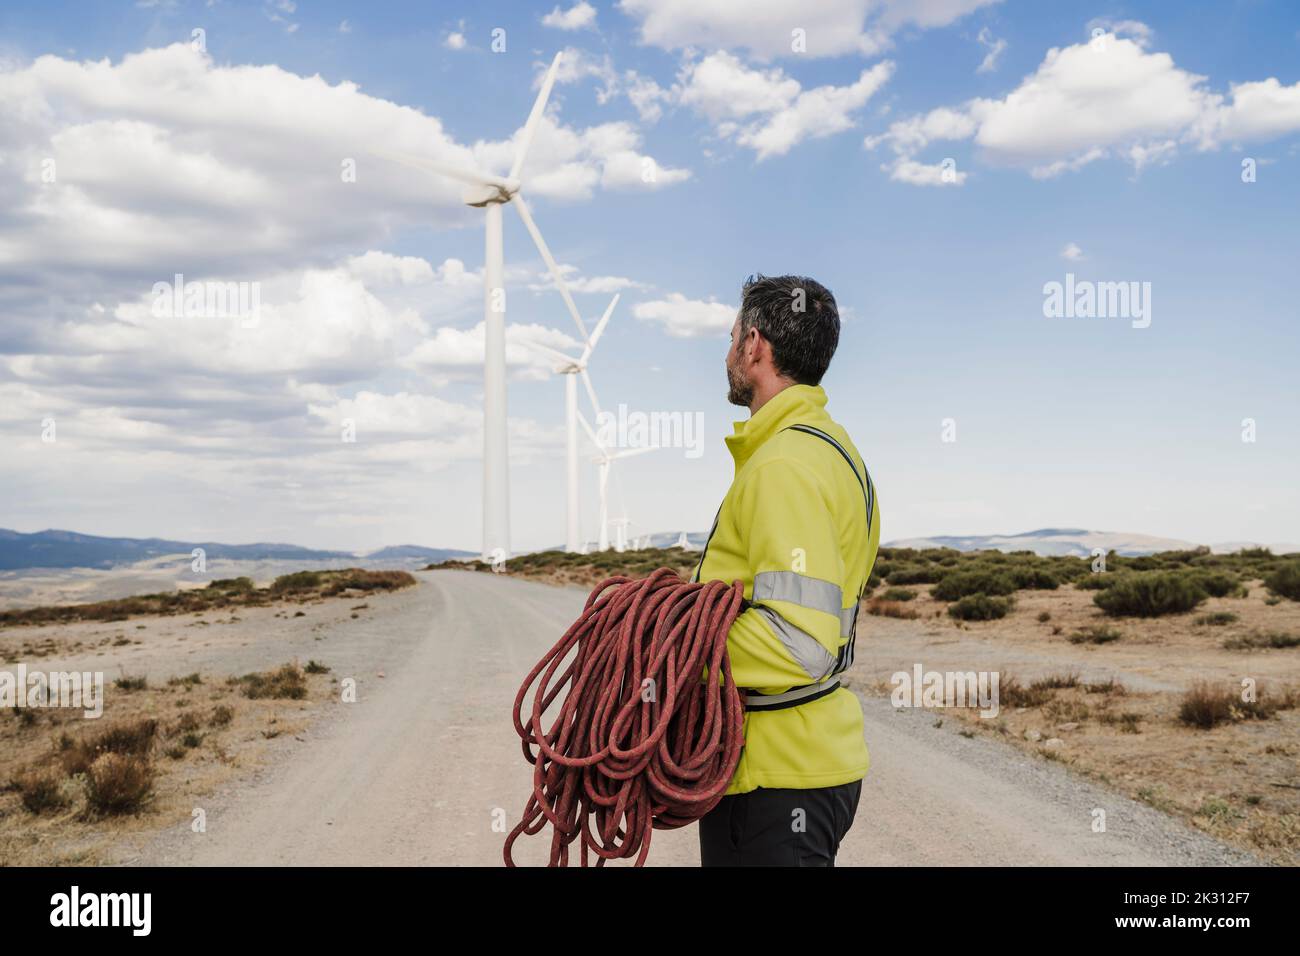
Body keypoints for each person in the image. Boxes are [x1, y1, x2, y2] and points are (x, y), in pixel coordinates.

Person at [694, 274, 880, 867]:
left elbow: (801, 641)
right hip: (796, 766)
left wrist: (672, 651)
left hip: (774, 776)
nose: (725, 354)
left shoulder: (783, 465)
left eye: (730, 340)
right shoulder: (831, 448)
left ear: (754, 345)